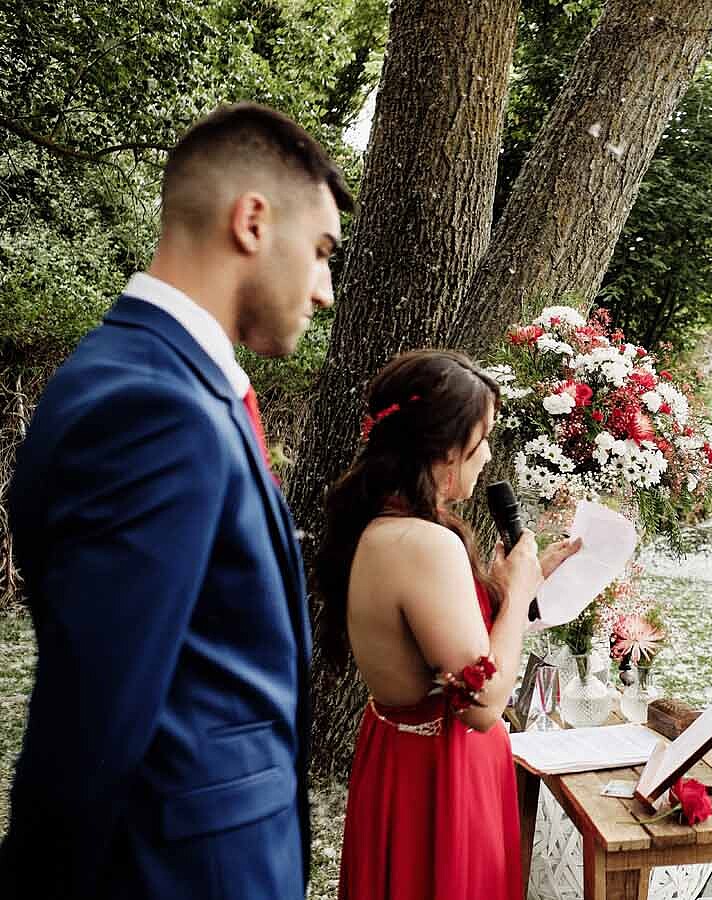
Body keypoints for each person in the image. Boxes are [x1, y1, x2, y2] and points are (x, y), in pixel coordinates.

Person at [1, 102, 353, 898]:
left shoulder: (160, 384)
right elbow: (86, 734)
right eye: (323, 252)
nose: (325, 290)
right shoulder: (152, 411)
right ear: (253, 221)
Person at [318, 349, 581, 900]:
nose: (487, 455)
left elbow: (452, 651)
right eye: (481, 438)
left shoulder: (385, 524)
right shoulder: (423, 543)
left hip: (402, 760)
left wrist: (518, 590)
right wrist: (516, 599)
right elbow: (482, 703)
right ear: (444, 450)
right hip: (438, 779)